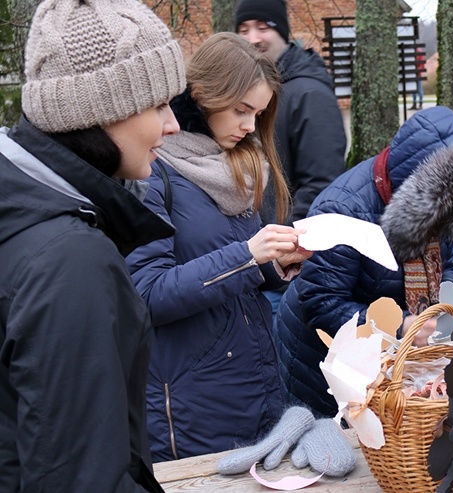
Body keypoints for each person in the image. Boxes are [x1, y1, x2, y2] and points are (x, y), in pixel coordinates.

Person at [0, 0, 186, 490]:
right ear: (102, 112)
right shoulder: (70, 259)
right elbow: (82, 475)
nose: (174, 125)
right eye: (159, 105)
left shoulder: (25, 216)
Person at [125, 32, 312, 462]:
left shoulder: (231, 165)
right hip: (193, 398)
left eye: (258, 114)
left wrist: (277, 262)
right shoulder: (153, 172)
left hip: (252, 376)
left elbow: (230, 265)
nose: (249, 126)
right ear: (203, 96)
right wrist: (249, 254)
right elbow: (146, 293)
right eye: (241, 111)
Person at [274, 106, 453, 417]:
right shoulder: (344, 208)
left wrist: (443, 305)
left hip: (389, 359)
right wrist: (400, 325)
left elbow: (448, 263)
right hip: (325, 363)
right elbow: (321, 303)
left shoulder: (438, 202)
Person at [235, 0, 348, 314]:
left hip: (287, 275)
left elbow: (323, 188)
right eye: (243, 29)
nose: (253, 37)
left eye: (263, 27)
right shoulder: (260, 90)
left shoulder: (308, 95)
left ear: (283, 32)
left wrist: (282, 252)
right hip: (257, 264)